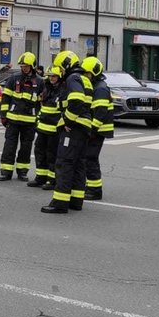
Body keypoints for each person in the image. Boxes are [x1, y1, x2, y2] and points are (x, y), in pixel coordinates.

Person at [41, 49, 93, 214]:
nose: (60, 72)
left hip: (74, 128)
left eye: (61, 69)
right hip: (83, 128)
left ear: (66, 66)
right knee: (78, 164)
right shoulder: (84, 79)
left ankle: (60, 203)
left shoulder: (72, 78)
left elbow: (77, 102)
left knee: (64, 163)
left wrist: (68, 121)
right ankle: (76, 201)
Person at [0, 52, 44, 181]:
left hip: (30, 122)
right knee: (9, 146)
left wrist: (38, 119)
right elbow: (6, 97)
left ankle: (22, 171)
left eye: (26, 66)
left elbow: (42, 103)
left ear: (32, 66)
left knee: (26, 147)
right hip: (13, 120)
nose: (23, 68)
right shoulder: (14, 78)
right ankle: (6, 171)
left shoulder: (40, 82)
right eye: (22, 66)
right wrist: (3, 115)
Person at [79, 56, 113, 200]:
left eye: (87, 73)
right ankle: (91, 186)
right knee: (88, 157)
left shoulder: (100, 89)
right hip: (97, 129)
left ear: (94, 72)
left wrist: (92, 130)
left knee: (90, 157)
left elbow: (100, 112)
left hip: (98, 129)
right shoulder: (96, 86)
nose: (85, 76)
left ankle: (95, 190)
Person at [28, 65, 63, 188]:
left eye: (54, 76)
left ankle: (52, 180)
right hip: (43, 126)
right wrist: (38, 120)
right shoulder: (46, 88)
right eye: (50, 76)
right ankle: (40, 177)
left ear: (60, 76)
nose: (52, 78)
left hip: (55, 128)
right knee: (39, 152)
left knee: (52, 154)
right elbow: (40, 105)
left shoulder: (63, 89)